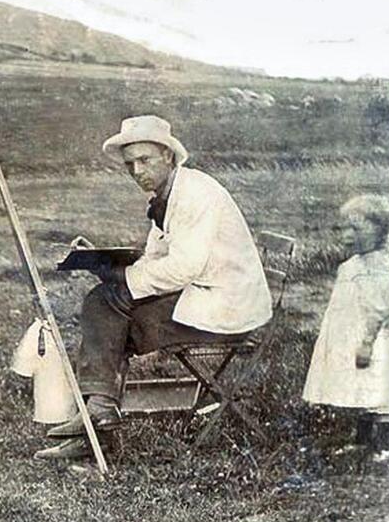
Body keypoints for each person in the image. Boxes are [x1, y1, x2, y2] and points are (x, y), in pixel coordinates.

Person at [37, 115, 272, 459]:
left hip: (228, 307)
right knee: (105, 310)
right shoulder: (170, 193)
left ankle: (97, 420)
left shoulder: (194, 195)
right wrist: (110, 266)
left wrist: (125, 283)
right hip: (205, 293)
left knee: (109, 314)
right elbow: (157, 257)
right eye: (130, 164)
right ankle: (97, 416)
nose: (136, 171)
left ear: (168, 156)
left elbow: (182, 267)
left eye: (144, 160)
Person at [302, 194, 389, 462]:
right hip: (354, 338)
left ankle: (385, 445)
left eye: (358, 228)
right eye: (346, 228)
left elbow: (387, 309)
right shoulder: (352, 265)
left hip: (377, 341)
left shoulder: (381, 267)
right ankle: (361, 439)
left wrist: (366, 342)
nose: (349, 235)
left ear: (379, 231)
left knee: (380, 391)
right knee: (360, 388)